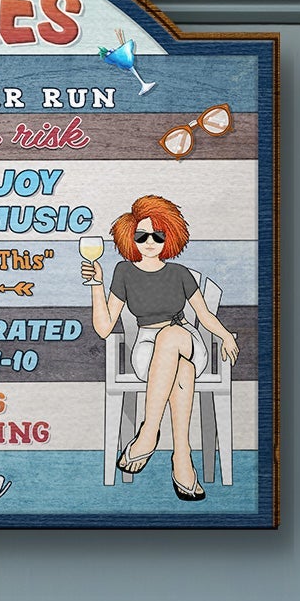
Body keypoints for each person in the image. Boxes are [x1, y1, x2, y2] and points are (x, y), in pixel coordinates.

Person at [82, 194, 239, 501]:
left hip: (186, 338)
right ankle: (182, 457)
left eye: (158, 235)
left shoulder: (180, 274)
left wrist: (226, 335)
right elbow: (103, 328)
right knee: (182, 369)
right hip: (147, 348)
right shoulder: (124, 272)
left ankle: (147, 434)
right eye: (142, 235)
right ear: (130, 237)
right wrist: (96, 285)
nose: (150, 242)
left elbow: (204, 314)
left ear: (170, 236)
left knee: (171, 337)